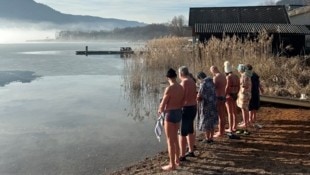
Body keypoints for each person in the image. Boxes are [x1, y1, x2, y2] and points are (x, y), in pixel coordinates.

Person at [158, 68, 184, 171]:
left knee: (170, 140)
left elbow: (163, 104)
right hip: (178, 113)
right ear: (176, 76)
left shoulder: (169, 88)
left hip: (170, 114)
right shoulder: (181, 87)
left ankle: (172, 164)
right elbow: (182, 101)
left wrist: (160, 110)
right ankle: (177, 160)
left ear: (167, 77)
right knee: (176, 139)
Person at [178, 66, 197, 161]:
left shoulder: (184, 82)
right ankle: (191, 150)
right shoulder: (192, 81)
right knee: (190, 129)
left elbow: (181, 97)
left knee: (182, 132)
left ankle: (182, 155)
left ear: (181, 74)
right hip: (193, 107)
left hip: (186, 108)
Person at [196, 72, 218, 143]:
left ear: (200, 78)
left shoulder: (203, 84)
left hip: (206, 105)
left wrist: (196, 97)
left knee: (206, 122)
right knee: (212, 121)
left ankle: (207, 138)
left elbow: (200, 96)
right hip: (213, 104)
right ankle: (211, 138)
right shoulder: (212, 82)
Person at [210, 66, 227, 137]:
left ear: (213, 70)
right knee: (223, 114)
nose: (212, 73)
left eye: (211, 71)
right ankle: (222, 131)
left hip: (218, 97)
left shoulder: (216, 78)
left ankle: (220, 132)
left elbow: (213, 88)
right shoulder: (224, 76)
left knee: (220, 116)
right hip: (223, 96)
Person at [224, 61, 240, 132]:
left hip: (229, 96)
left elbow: (227, 87)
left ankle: (230, 128)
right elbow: (239, 86)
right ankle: (235, 126)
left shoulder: (228, 77)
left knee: (229, 112)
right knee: (234, 112)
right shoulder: (236, 76)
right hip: (235, 95)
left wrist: (224, 94)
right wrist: (236, 93)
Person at [236, 64, 252, 134]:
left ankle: (245, 123)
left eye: (238, 69)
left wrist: (240, 92)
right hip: (247, 94)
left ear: (240, 70)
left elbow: (243, 86)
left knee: (243, 109)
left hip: (244, 95)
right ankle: (246, 122)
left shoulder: (244, 76)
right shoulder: (247, 75)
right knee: (246, 109)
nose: (238, 71)